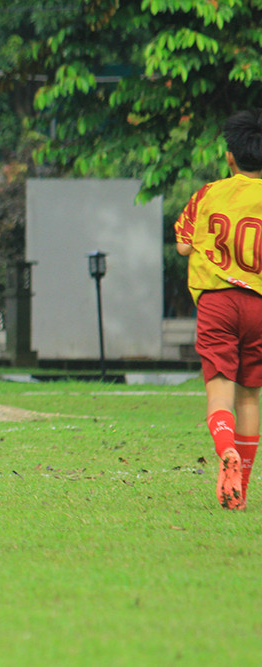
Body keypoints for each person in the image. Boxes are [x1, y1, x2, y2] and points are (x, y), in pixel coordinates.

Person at [175, 109, 262, 510]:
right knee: (249, 397)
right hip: (259, 307)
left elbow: (183, 245)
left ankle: (224, 449)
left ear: (230, 157)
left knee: (219, 395)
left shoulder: (208, 195)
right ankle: (240, 486)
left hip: (216, 302)